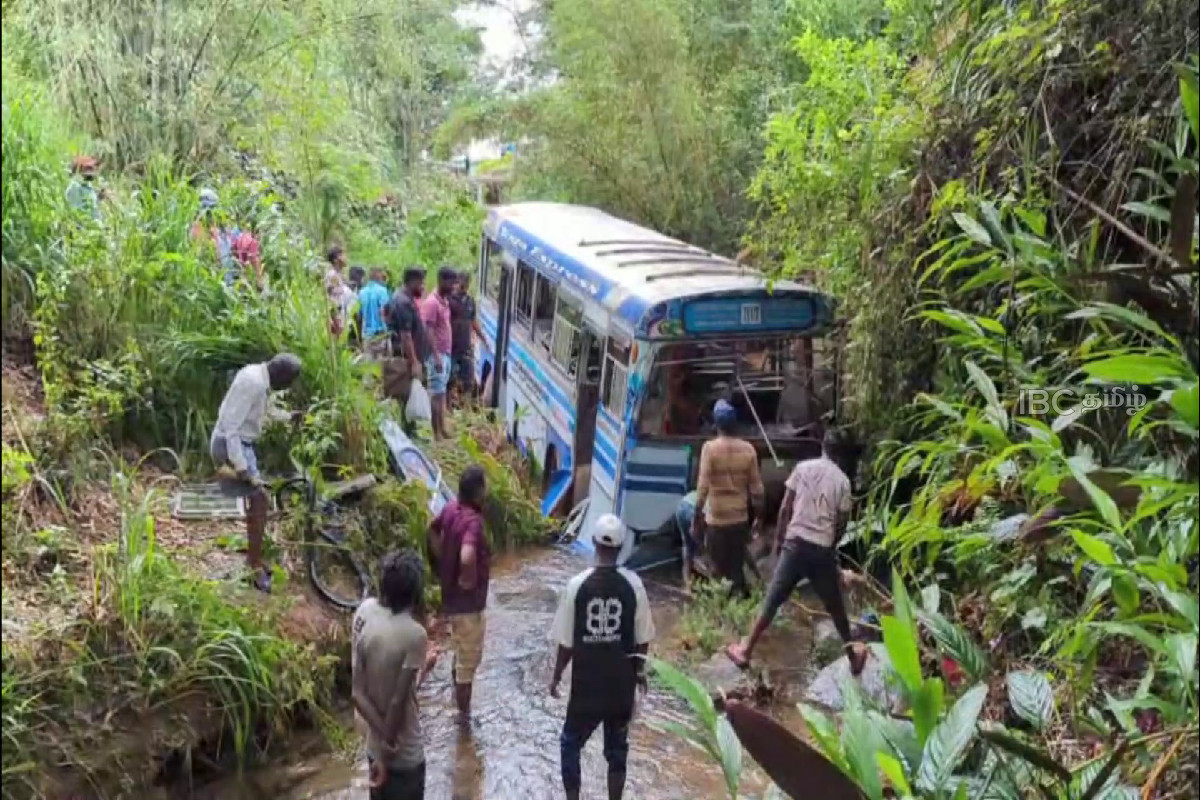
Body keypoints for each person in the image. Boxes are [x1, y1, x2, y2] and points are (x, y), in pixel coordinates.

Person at [725, 427, 868, 675]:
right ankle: (853, 657)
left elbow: (785, 508)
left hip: (795, 544)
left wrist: (780, 541)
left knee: (772, 599)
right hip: (821, 548)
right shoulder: (843, 481)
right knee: (835, 606)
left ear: (823, 447)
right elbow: (842, 520)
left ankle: (746, 650)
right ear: (841, 455)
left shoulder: (803, 468)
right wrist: (831, 545)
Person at [550, 514, 655, 800]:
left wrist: (557, 675)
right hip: (620, 687)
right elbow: (643, 638)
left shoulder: (577, 586)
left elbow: (567, 643)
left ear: (594, 542)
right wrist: (639, 674)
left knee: (570, 743)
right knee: (617, 749)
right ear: (622, 547)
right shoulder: (634, 586)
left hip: (586, 687)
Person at [210, 354, 301, 593]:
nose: (288, 387)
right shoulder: (254, 383)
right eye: (289, 381)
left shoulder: (258, 376)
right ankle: (253, 565)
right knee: (260, 499)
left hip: (241, 445)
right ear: (281, 375)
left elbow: (263, 413)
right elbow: (231, 427)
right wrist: (240, 467)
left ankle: (255, 558)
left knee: (257, 501)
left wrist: (288, 417)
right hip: (232, 445)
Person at [352, 549, 439, 800]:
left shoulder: (365, 612)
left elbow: (358, 693)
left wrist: (379, 747)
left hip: (372, 746)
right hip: (404, 755)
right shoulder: (414, 634)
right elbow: (398, 701)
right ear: (415, 592)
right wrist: (388, 744)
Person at [428, 465, 490, 718]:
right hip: (468, 607)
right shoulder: (473, 523)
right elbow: (467, 555)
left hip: (451, 602)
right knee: (467, 664)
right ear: (478, 492)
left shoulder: (450, 509)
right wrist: (467, 577)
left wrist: (440, 561)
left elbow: (432, 528)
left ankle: (457, 705)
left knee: (459, 654)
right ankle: (464, 725)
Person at [692, 399, 764, 599]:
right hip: (739, 520)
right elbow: (758, 490)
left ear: (716, 425)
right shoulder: (748, 450)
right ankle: (742, 608)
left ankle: (723, 613)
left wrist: (696, 517)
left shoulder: (710, 449)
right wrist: (758, 518)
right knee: (736, 567)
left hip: (717, 520)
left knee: (717, 569)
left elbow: (703, 487)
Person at [383, 268, 432, 429]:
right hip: (406, 356)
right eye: (421, 283)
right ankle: (407, 428)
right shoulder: (403, 302)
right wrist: (414, 361)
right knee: (405, 392)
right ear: (413, 282)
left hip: (408, 354)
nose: (423, 287)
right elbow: (406, 336)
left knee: (407, 393)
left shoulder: (402, 298)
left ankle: (408, 427)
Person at [419, 267, 455, 439]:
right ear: (442, 281)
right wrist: (437, 356)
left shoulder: (444, 301)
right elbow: (429, 330)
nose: (454, 287)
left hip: (445, 353)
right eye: (451, 283)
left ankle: (442, 427)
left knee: (441, 393)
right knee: (436, 393)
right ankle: (436, 432)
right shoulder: (432, 303)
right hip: (437, 355)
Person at [448, 271, 484, 405]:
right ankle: (449, 408)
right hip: (451, 347)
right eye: (460, 283)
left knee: (468, 381)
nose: (463, 286)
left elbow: (473, 321)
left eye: (465, 283)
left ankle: (466, 409)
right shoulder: (449, 301)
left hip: (465, 347)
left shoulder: (470, 302)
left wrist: (483, 338)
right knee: (450, 380)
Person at [358, 267, 392, 359]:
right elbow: (385, 311)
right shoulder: (383, 291)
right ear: (379, 276)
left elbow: (359, 314)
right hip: (381, 332)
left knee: (368, 363)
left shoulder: (361, 292)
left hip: (366, 333)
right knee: (381, 363)